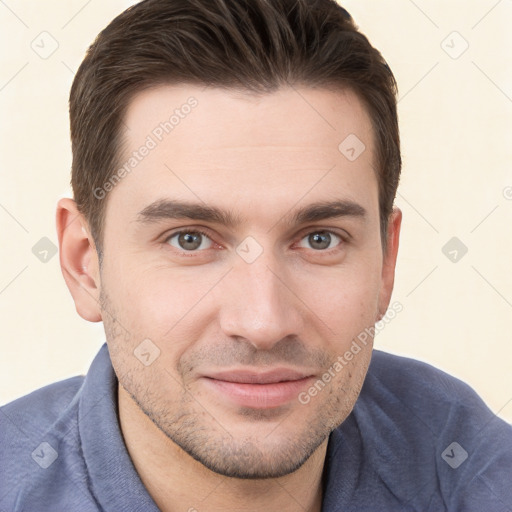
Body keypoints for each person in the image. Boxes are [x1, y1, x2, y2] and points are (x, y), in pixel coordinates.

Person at [1, 0, 511, 510]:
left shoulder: (472, 469)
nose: (263, 322)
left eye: (319, 239)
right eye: (190, 240)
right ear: (84, 263)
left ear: (385, 262)